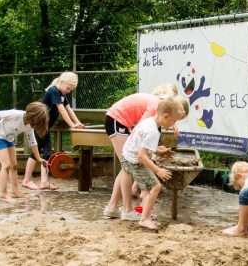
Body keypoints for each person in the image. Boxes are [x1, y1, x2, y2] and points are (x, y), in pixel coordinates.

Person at [103, 90, 188, 220]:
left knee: (126, 167)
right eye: (175, 120)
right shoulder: (155, 107)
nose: (174, 124)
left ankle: (113, 207)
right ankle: (126, 209)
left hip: (122, 122)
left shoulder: (161, 106)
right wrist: (152, 157)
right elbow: (140, 130)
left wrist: (153, 148)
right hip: (117, 120)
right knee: (127, 166)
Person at [121, 97, 185, 230]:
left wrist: (156, 149)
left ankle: (143, 212)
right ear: (166, 116)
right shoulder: (153, 131)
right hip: (135, 161)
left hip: (127, 156)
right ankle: (144, 219)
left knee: (146, 189)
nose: (173, 125)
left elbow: (141, 145)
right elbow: (142, 156)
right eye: (174, 121)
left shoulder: (149, 121)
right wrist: (158, 170)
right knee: (155, 187)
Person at [22, 72, 84, 190]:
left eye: (71, 89)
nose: (69, 91)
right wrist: (72, 125)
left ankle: (43, 182)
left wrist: (77, 123)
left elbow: (68, 109)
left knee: (46, 153)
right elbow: (61, 109)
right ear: (62, 82)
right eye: (68, 88)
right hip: (39, 126)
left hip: (45, 127)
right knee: (36, 154)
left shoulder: (61, 93)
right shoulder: (53, 91)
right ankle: (26, 180)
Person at [0, 102, 49, 202]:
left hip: (9, 139)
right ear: (33, 116)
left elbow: (32, 142)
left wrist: (38, 158)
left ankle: (15, 191)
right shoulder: (16, 114)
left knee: (14, 165)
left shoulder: (29, 125)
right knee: (6, 165)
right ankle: (3, 194)